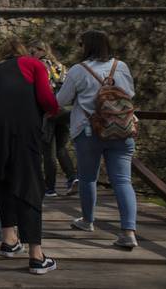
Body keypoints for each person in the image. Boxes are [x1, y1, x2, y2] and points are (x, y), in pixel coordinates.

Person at [0, 38, 59, 275]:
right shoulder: (33, 65)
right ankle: (37, 256)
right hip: (22, 132)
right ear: (23, 52)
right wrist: (53, 110)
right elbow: (46, 99)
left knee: (4, 182)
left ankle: (10, 241)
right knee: (29, 187)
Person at [56, 30, 138, 248]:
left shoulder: (78, 70)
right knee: (122, 180)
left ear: (87, 47)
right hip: (122, 129)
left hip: (89, 131)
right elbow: (130, 93)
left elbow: (61, 100)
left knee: (88, 178)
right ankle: (129, 231)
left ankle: (87, 220)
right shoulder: (121, 66)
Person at [29, 40, 78, 197]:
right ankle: (72, 177)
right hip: (65, 111)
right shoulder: (63, 67)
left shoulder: (39, 66)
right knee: (61, 148)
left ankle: (50, 188)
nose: (31, 55)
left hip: (49, 112)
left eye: (32, 52)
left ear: (41, 50)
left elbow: (38, 89)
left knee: (48, 150)